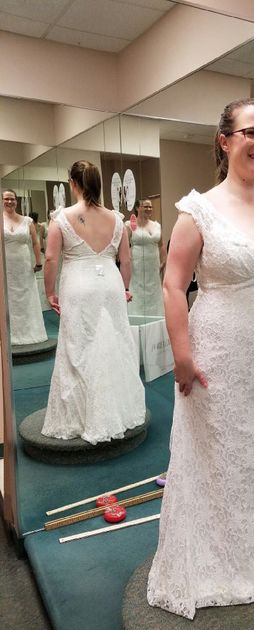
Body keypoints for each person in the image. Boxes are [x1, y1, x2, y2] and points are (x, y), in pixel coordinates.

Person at [147, 98, 254, 619]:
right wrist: (181, 356)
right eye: (251, 132)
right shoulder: (198, 211)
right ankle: (216, 560)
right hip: (216, 353)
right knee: (217, 455)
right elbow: (174, 285)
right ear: (225, 141)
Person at [41, 160, 145, 444]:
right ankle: (118, 410)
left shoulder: (62, 218)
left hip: (78, 285)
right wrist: (124, 288)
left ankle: (80, 417)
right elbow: (126, 260)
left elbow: (50, 259)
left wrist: (49, 292)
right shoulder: (116, 219)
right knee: (114, 342)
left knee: (78, 347)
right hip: (110, 283)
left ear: (73, 183)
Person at [3, 189, 47, 345]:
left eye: (12, 199)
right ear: (2, 201)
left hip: (24, 265)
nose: (9, 201)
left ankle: (30, 333)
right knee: (8, 298)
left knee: (26, 296)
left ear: (17, 201)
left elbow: (35, 242)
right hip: (5, 266)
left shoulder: (27, 221)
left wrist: (38, 261)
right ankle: (9, 335)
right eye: (6, 199)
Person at [126, 198, 166, 317]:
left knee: (154, 292)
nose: (149, 209)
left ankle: (156, 320)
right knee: (138, 292)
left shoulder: (156, 225)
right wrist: (128, 260)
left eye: (150, 207)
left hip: (154, 268)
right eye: (146, 206)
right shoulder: (130, 225)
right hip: (137, 267)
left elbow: (161, 245)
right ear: (137, 208)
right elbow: (125, 245)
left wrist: (164, 261)